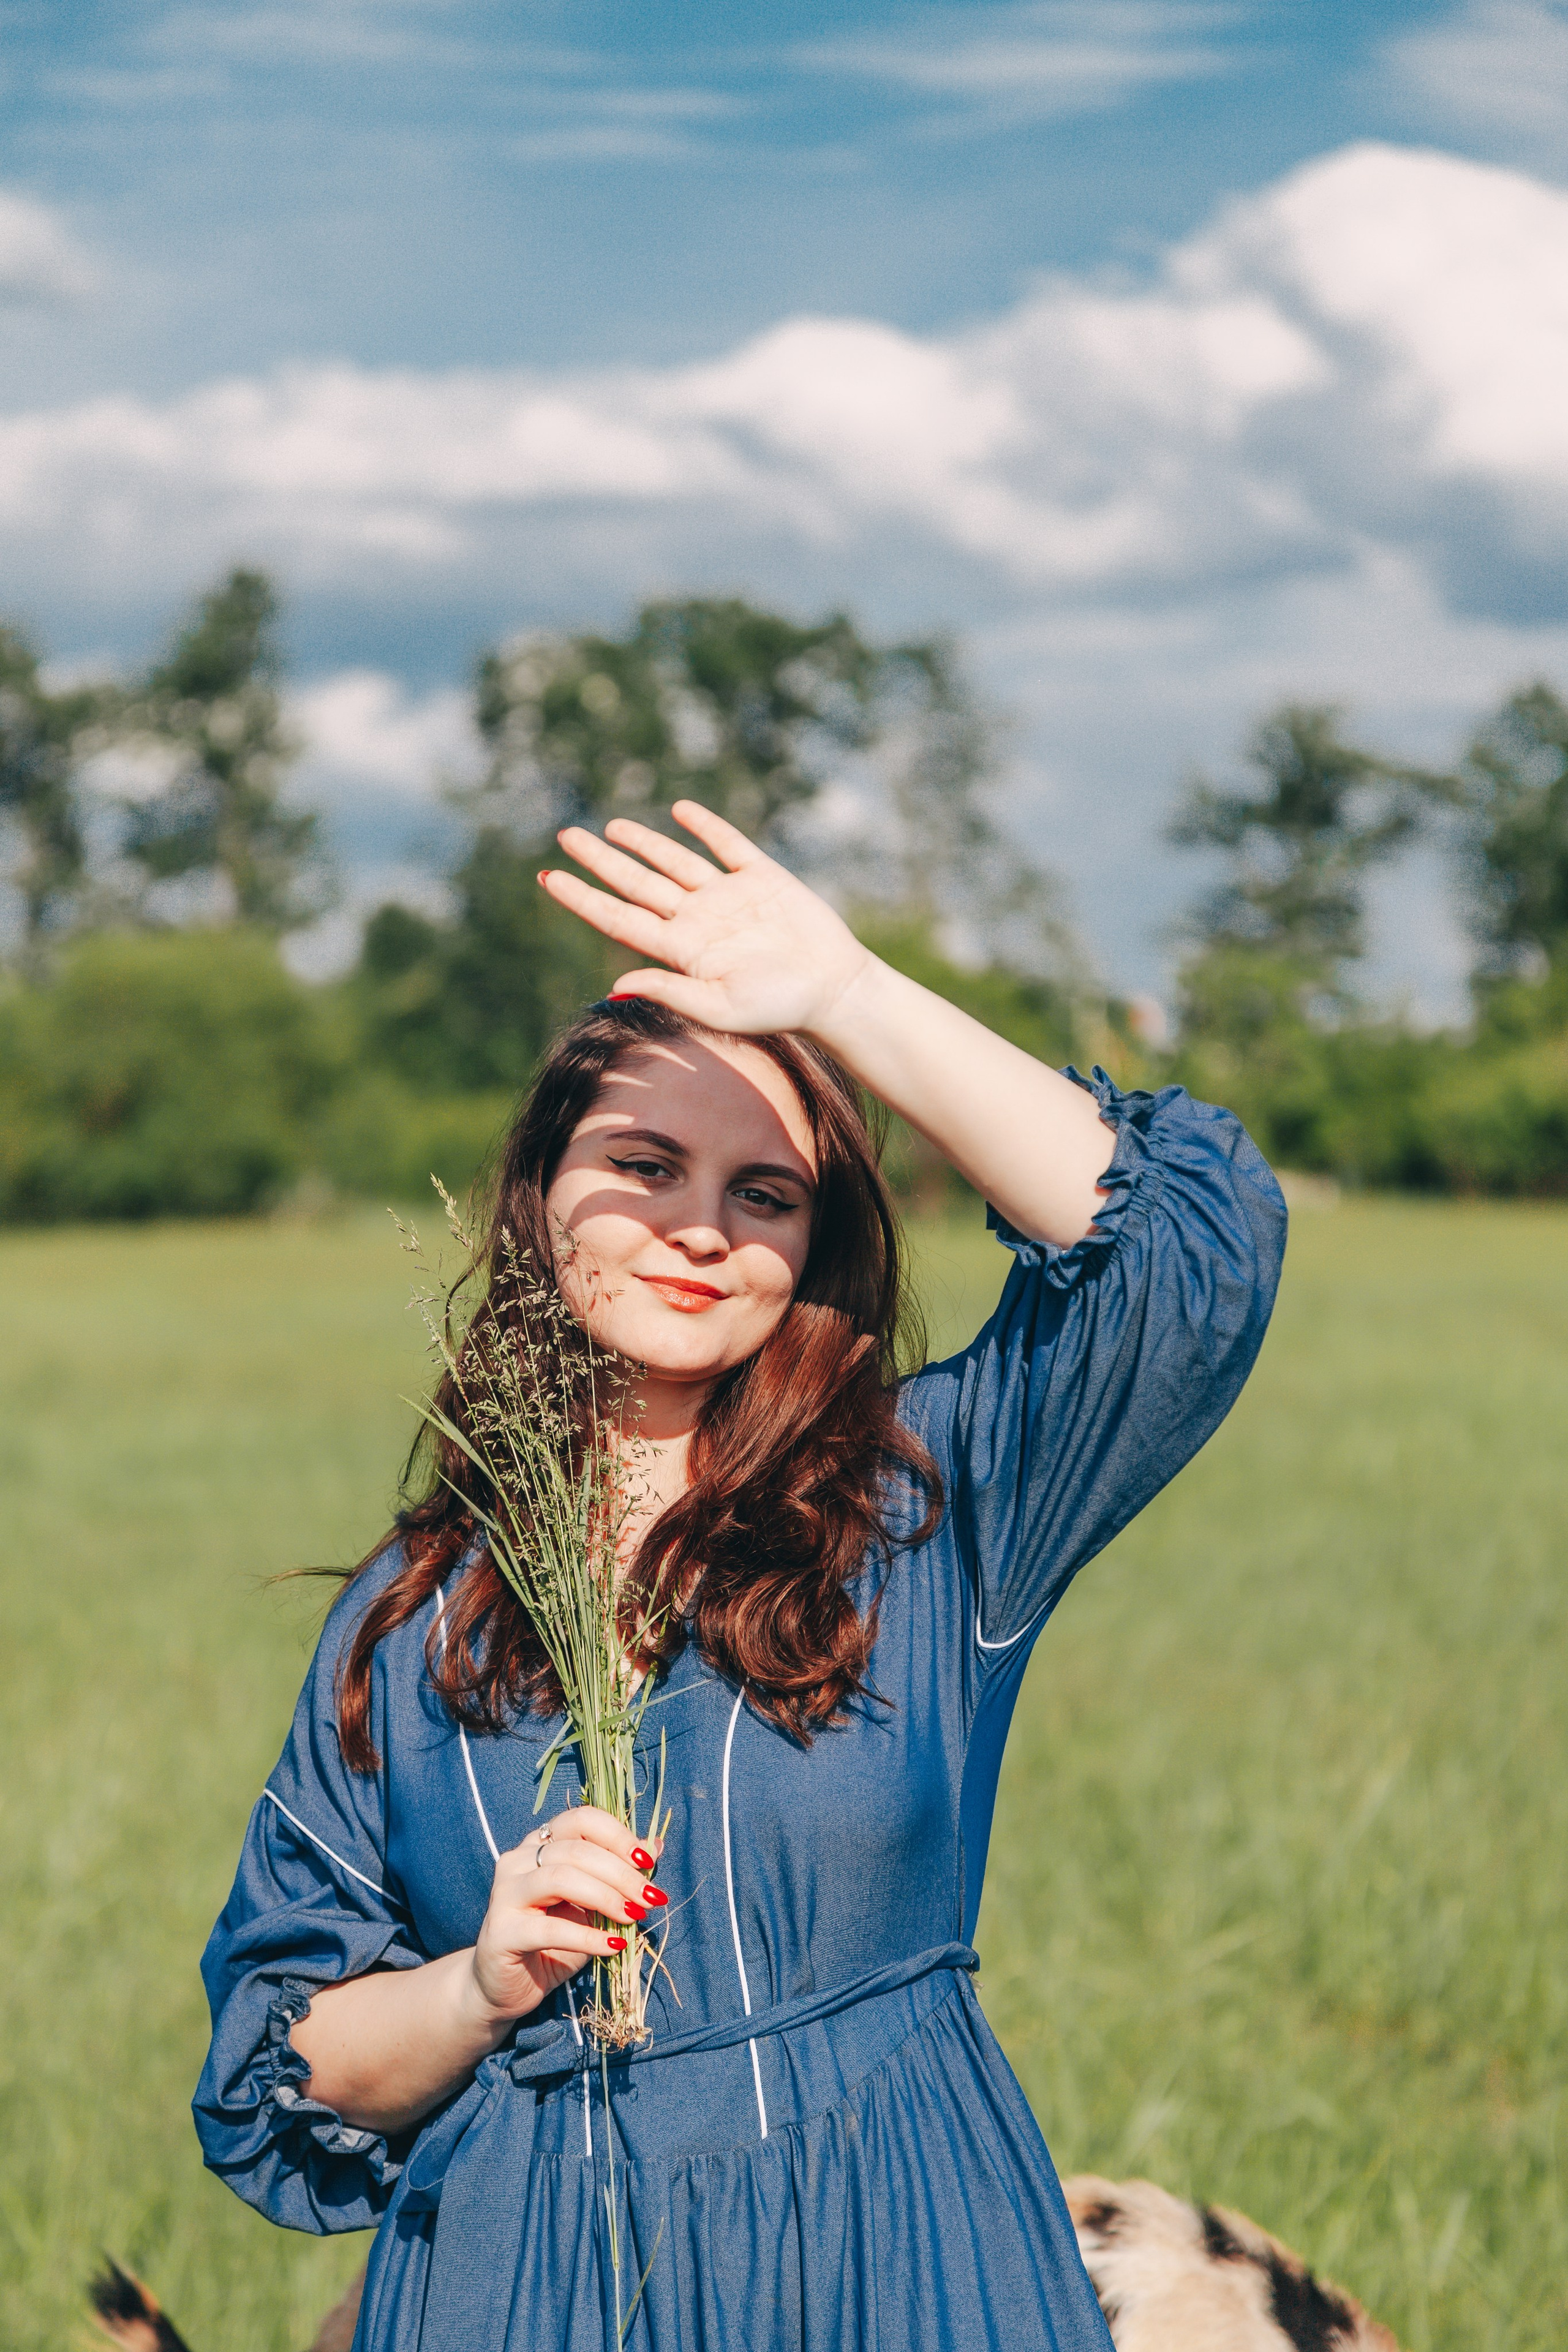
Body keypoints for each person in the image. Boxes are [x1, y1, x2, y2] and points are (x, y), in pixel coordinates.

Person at [195, 802, 1286, 2352]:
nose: (701, 1229)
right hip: (526, 2284)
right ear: (538, 1197)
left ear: (811, 1239)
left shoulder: (930, 1500)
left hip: (889, 2261)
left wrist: (845, 995)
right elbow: (280, 2069)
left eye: (763, 1192)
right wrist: (483, 1983)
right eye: (646, 1165)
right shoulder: (413, 1614)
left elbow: (1190, 1253)